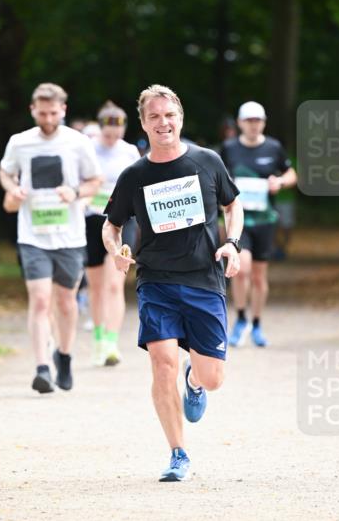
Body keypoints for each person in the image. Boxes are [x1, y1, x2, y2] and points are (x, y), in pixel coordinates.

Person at [102, 84, 243, 483]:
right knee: (161, 364)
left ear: (179, 118)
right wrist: (115, 250)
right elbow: (110, 225)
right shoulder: (135, 176)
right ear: (144, 124)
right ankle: (178, 453)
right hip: (156, 281)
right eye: (154, 117)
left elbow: (233, 205)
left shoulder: (207, 161)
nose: (163, 123)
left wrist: (231, 243)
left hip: (203, 279)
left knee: (213, 379)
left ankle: (194, 379)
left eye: (169, 115)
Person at [0, 83, 102, 393]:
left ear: (63, 111)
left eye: (53, 113)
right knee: (41, 299)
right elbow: (5, 172)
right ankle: (42, 367)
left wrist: (76, 192)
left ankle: (65, 356)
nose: (47, 119)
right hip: (32, 234)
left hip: (69, 235)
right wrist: (11, 188)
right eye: (42, 113)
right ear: (33, 110)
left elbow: (95, 181)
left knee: (66, 302)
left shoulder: (78, 142)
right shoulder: (20, 143)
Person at [221, 101, 297, 348]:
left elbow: (291, 174)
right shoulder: (229, 148)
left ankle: (257, 322)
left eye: (258, 120)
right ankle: (241, 318)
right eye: (249, 120)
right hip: (239, 219)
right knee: (241, 268)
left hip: (265, 219)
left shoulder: (274, 147)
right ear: (240, 123)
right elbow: (217, 176)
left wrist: (280, 182)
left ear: (263, 122)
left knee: (258, 275)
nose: (254, 125)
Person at [85, 101, 140, 366]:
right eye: (107, 135)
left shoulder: (129, 152)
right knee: (96, 287)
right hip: (91, 220)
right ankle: (97, 337)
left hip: (121, 222)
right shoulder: (88, 149)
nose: (111, 139)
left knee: (115, 284)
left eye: (117, 134)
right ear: (100, 129)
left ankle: (111, 342)